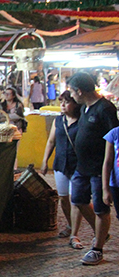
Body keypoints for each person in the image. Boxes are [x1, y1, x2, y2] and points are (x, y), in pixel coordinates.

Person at [68, 72, 119, 265]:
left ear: (80, 91)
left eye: (72, 92)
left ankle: (97, 249)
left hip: (99, 168)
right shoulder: (84, 108)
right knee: (78, 200)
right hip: (82, 167)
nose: (72, 95)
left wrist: (109, 173)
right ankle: (101, 233)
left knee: (101, 208)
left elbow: (114, 138)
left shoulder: (105, 109)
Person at [40, 91, 80, 242]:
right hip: (61, 163)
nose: (62, 105)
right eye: (61, 102)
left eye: (66, 102)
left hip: (77, 164)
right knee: (63, 198)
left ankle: (74, 233)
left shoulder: (82, 121)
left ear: (75, 104)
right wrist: (45, 160)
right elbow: (51, 141)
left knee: (76, 199)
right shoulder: (58, 121)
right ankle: (70, 225)